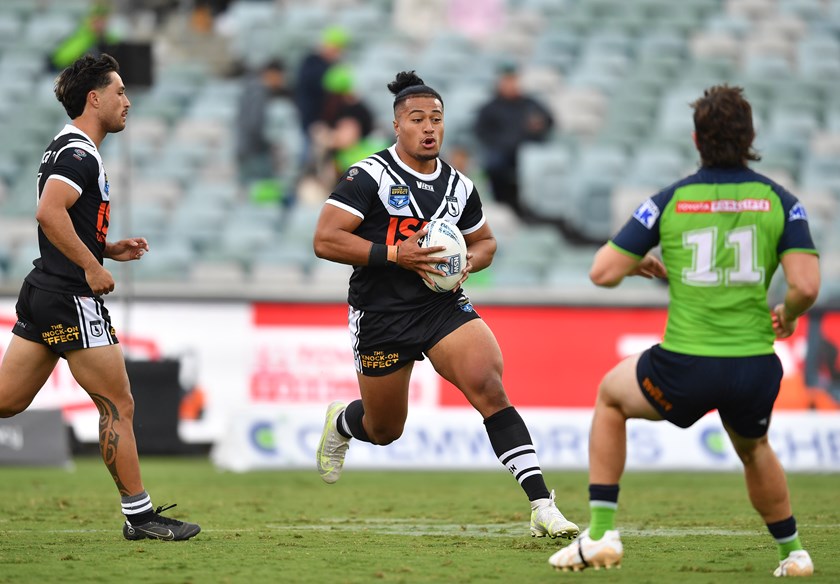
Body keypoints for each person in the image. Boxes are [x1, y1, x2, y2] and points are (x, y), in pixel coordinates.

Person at [548, 85, 819, 577]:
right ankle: (794, 553)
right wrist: (791, 313)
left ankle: (603, 532)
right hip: (753, 365)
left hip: (687, 364)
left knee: (610, 397)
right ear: (750, 137)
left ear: (697, 139)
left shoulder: (670, 200)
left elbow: (602, 272)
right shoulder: (781, 202)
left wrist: (639, 266)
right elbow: (805, 284)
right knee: (755, 449)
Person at [312, 70, 579, 541]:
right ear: (398, 126)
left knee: (490, 386)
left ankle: (542, 504)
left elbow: (487, 243)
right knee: (385, 427)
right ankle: (343, 422)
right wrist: (398, 255)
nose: (429, 127)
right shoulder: (368, 176)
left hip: (440, 307)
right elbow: (325, 239)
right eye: (418, 119)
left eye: (436, 118)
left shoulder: (459, 186)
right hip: (381, 314)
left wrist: (465, 263)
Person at [0, 53, 200, 541]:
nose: (128, 102)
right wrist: (92, 266)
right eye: (120, 92)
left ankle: (140, 514)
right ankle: (141, 517)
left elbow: (64, 216)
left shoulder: (69, 148)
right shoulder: (79, 152)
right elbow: (49, 213)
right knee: (118, 405)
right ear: (95, 98)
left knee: (5, 401)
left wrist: (106, 247)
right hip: (70, 295)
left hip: (46, 288)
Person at [473, 62, 555, 218]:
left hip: (529, 151)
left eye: (514, 80)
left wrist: (539, 124)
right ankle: (504, 204)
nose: (511, 85)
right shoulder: (491, 107)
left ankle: (533, 208)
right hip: (502, 151)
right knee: (494, 164)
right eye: (507, 81)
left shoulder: (530, 103)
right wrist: (501, 142)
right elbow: (481, 131)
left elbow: (549, 121)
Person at [294, 25, 350, 170]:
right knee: (309, 159)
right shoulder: (312, 64)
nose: (338, 52)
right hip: (312, 120)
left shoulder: (333, 66)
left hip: (328, 123)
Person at [235, 59, 289, 193]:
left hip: (246, 149)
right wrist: (267, 144)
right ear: (272, 74)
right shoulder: (259, 92)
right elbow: (254, 124)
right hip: (255, 152)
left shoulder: (250, 89)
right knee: (263, 193)